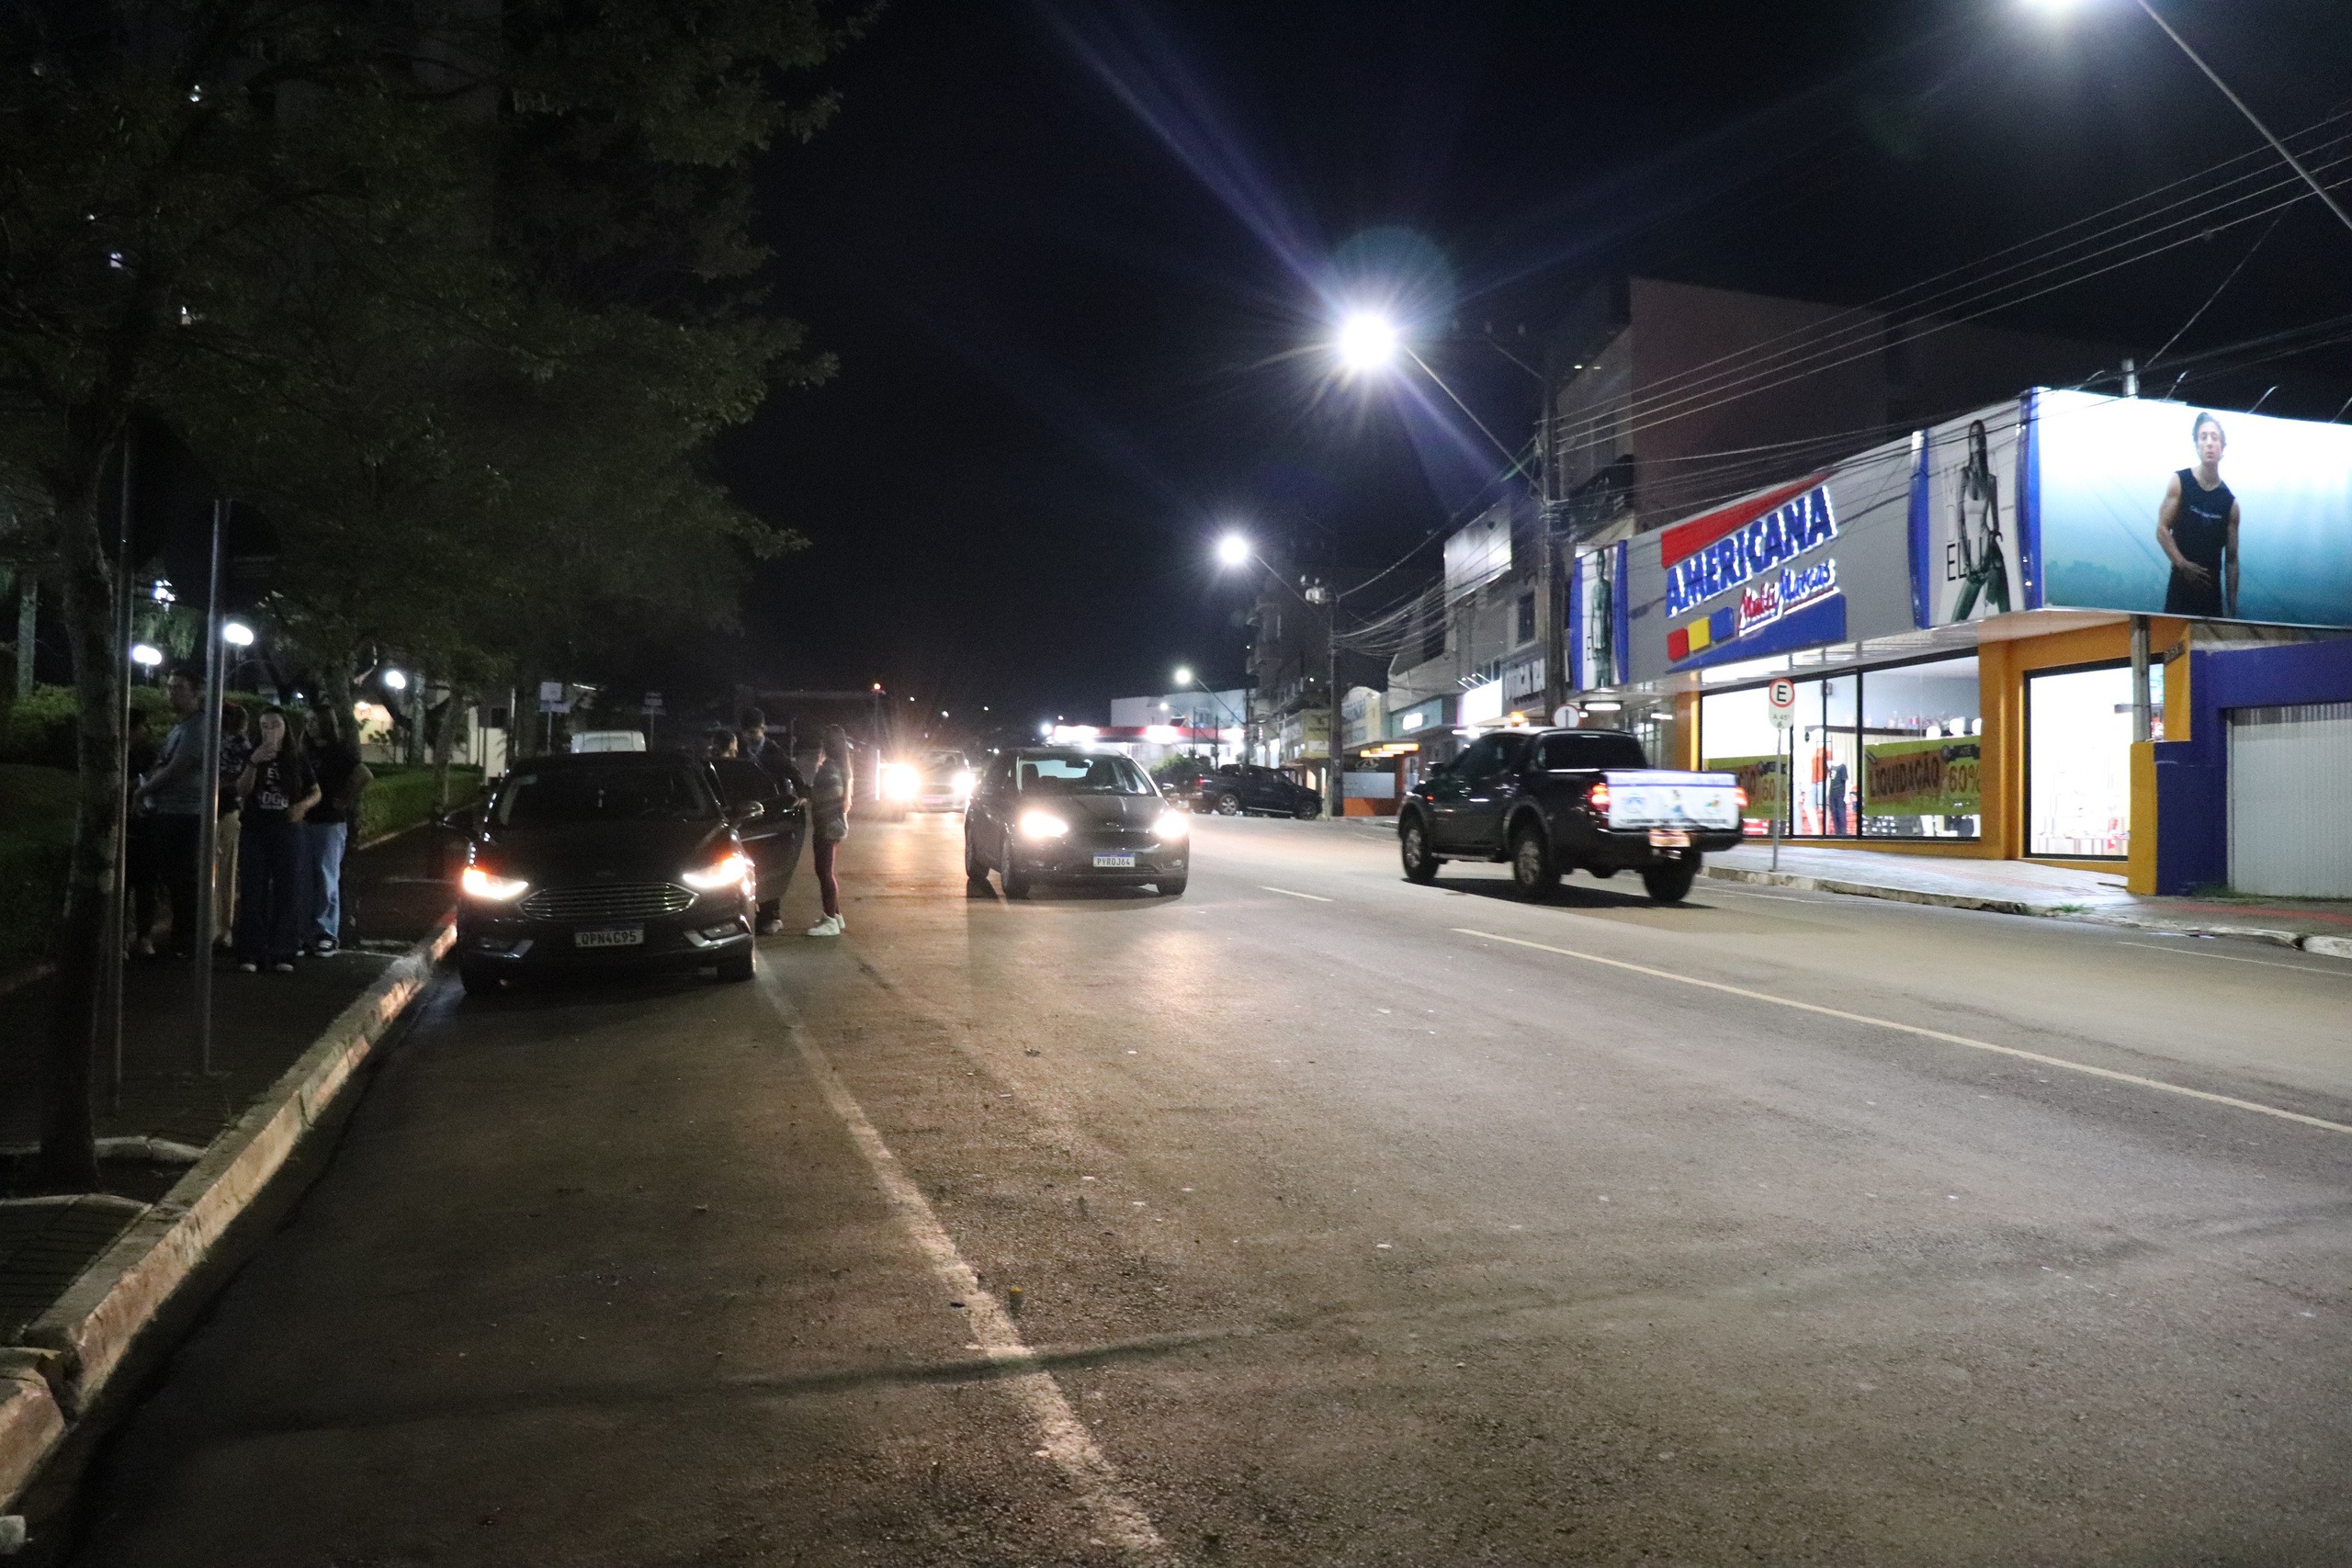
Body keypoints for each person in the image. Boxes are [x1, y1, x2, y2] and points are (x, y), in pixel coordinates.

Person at [128, 667, 209, 959]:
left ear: (196, 692)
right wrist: (144, 784)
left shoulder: (198, 727)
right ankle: (181, 940)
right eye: (170, 687)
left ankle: (187, 943)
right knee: (175, 878)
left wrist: (143, 790)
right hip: (169, 811)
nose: (171, 692)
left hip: (185, 813)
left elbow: (178, 768)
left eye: (179, 687)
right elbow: (162, 764)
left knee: (184, 879)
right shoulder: (180, 727)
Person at [234, 706, 320, 973]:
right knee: (252, 889)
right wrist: (253, 763)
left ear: (286, 729)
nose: (270, 731)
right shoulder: (251, 754)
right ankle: (251, 952)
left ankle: (283, 951)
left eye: (275, 725)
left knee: (288, 888)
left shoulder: (296, 758)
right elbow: (242, 792)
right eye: (264, 726)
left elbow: (316, 791)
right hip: (255, 828)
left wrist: (301, 808)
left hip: (287, 829)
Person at [2158, 410, 2240, 619]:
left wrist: (2232, 609)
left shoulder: (2229, 503)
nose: (2209, 443)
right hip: (2179, 594)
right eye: (2203, 437)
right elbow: (2162, 529)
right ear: (2196, 445)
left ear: (2223, 447)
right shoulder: (2180, 482)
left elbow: (2231, 560)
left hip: (2211, 602)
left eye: (2215, 437)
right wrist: (2182, 564)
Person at [302, 712, 371, 955]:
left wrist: (344, 799)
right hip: (305, 820)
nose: (309, 725)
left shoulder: (340, 752)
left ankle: (326, 933)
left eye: (314, 720)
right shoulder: (305, 751)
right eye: (307, 720)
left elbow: (364, 774)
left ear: (326, 724)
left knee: (325, 877)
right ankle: (306, 933)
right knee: (306, 878)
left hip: (329, 822)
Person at [805, 724, 852, 937]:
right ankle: (836, 914)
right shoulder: (842, 765)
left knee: (824, 872)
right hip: (834, 824)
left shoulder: (830, 767)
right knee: (825, 871)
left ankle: (830, 919)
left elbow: (830, 793)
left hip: (826, 825)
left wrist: (809, 794)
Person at [213, 702, 253, 949]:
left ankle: (222, 929)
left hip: (225, 810)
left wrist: (213, 784)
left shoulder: (239, 745)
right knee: (223, 872)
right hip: (222, 810)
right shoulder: (233, 743)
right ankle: (219, 928)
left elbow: (238, 779)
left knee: (223, 871)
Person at [739, 707, 805, 794]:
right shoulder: (740, 750)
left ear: (763, 729)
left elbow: (793, 772)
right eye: (744, 732)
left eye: (752, 732)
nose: (747, 736)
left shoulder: (774, 750)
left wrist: (803, 794)